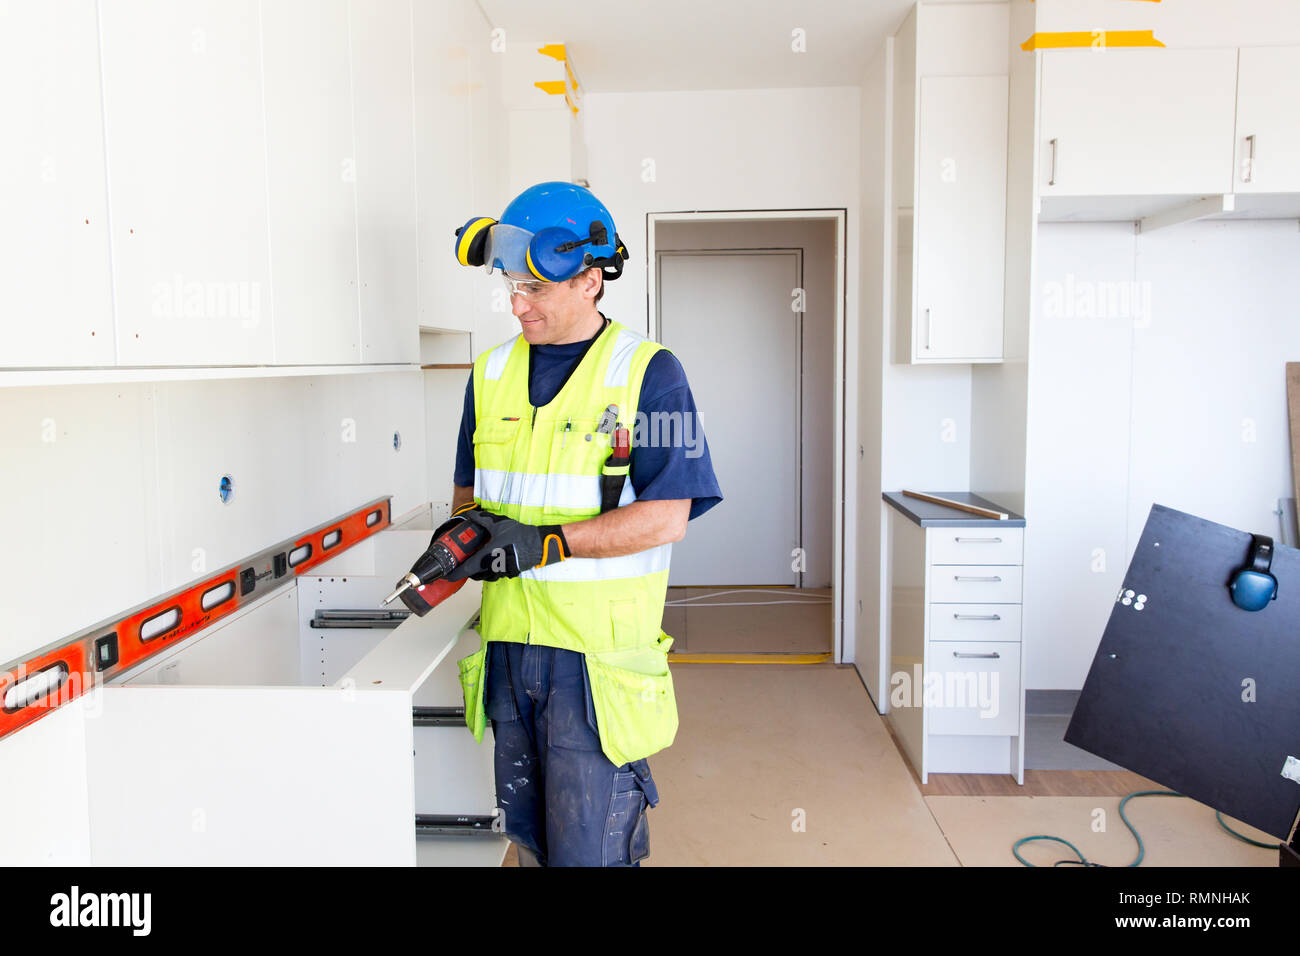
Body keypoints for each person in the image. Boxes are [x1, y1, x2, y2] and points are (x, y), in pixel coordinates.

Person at [442, 181, 722, 866]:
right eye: (512, 284)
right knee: (535, 841)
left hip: (594, 666)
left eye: (535, 288)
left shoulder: (651, 374)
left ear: (591, 278)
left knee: (591, 852)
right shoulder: (489, 374)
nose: (517, 303)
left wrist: (549, 543)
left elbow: (667, 518)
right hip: (509, 651)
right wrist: (459, 544)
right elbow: (465, 503)